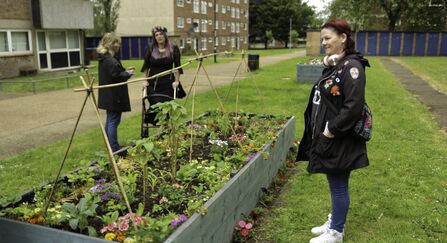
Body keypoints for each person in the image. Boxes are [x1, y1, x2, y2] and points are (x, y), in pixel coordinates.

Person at [296, 19, 370, 243]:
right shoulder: (340, 63)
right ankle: (334, 221)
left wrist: (330, 130)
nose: (324, 43)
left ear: (343, 38)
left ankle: (336, 232)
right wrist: (329, 61)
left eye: (328, 38)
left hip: (340, 137)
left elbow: (353, 107)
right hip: (333, 135)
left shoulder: (353, 67)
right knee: (334, 182)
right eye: (322, 39)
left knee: (338, 186)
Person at [97, 32, 134, 153]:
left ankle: (110, 145)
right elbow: (116, 76)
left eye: (118, 42)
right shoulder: (109, 60)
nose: (118, 45)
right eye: (115, 42)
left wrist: (124, 71)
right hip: (114, 96)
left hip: (109, 95)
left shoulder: (106, 58)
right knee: (113, 120)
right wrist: (127, 74)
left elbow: (114, 73)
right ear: (109, 44)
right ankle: (114, 147)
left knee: (110, 120)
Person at [141, 26, 184, 126]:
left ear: (165, 35)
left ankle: (166, 126)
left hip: (168, 83)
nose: (159, 37)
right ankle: (154, 120)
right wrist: (145, 80)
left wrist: (177, 81)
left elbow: (177, 67)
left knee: (167, 106)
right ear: (154, 37)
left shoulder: (173, 49)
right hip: (153, 84)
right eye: (156, 35)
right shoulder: (150, 48)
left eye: (161, 34)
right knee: (156, 105)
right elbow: (146, 66)